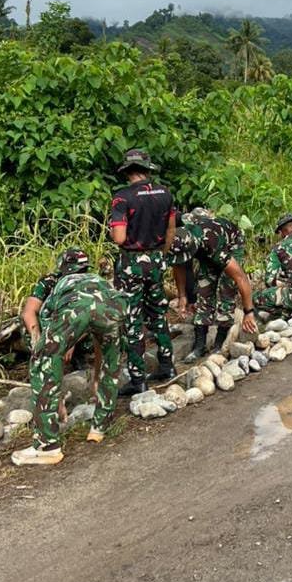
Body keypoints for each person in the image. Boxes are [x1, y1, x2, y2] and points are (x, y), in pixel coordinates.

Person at [13, 250, 126, 466]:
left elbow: (47, 331)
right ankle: (100, 427)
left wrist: (55, 395)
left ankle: (47, 446)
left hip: (77, 312)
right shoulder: (97, 280)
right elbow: (101, 344)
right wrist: (97, 377)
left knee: (42, 361)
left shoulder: (61, 283)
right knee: (111, 363)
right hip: (115, 307)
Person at [109, 149, 176, 396]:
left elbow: (119, 237)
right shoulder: (165, 194)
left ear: (127, 171)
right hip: (157, 259)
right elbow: (171, 230)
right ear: (148, 169)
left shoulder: (122, 197)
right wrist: (161, 254)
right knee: (158, 313)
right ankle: (167, 366)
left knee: (133, 320)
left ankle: (138, 379)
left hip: (132, 264)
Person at [168, 208, 255, 362]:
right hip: (205, 247)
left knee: (226, 289)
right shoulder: (178, 240)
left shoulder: (211, 243)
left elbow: (240, 277)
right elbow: (179, 266)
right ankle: (199, 346)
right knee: (204, 289)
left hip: (231, 244)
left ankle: (219, 343)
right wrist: (182, 296)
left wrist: (249, 312)